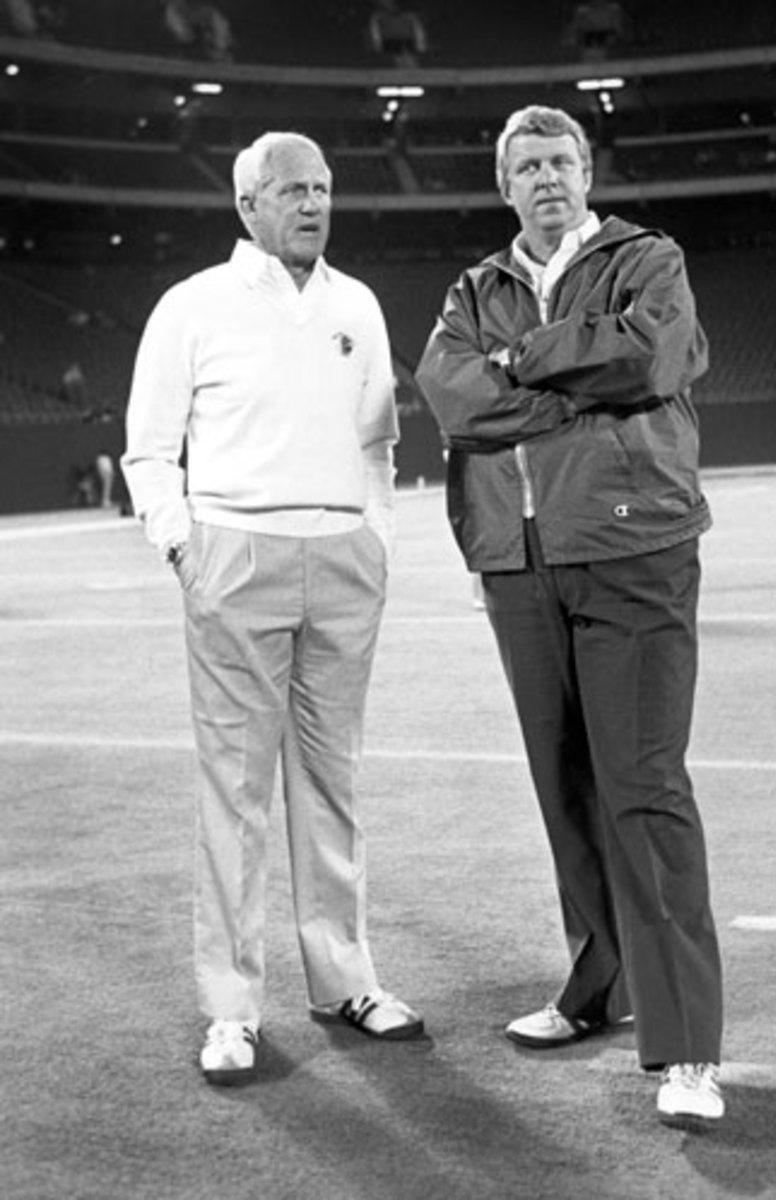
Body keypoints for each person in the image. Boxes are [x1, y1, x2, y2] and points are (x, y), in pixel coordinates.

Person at [415, 105, 724, 1128]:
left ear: (587, 172)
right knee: (567, 792)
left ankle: (686, 1051)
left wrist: (524, 363)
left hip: (633, 547)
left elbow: (650, 361)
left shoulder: (649, 258)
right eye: (529, 166)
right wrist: (569, 386)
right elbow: (453, 397)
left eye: (563, 160)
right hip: (517, 559)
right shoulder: (474, 287)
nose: (548, 177)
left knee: (643, 791)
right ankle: (599, 990)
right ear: (505, 186)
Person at [122, 130, 424, 1086]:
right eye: (292, 189)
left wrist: (375, 535)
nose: (312, 204)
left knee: (332, 783)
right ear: (247, 205)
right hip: (235, 555)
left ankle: (344, 979)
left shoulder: (358, 304)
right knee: (237, 792)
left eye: (324, 188)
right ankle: (231, 1007)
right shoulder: (191, 306)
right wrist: (184, 546)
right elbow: (147, 448)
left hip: (343, 559)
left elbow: (379, 440)